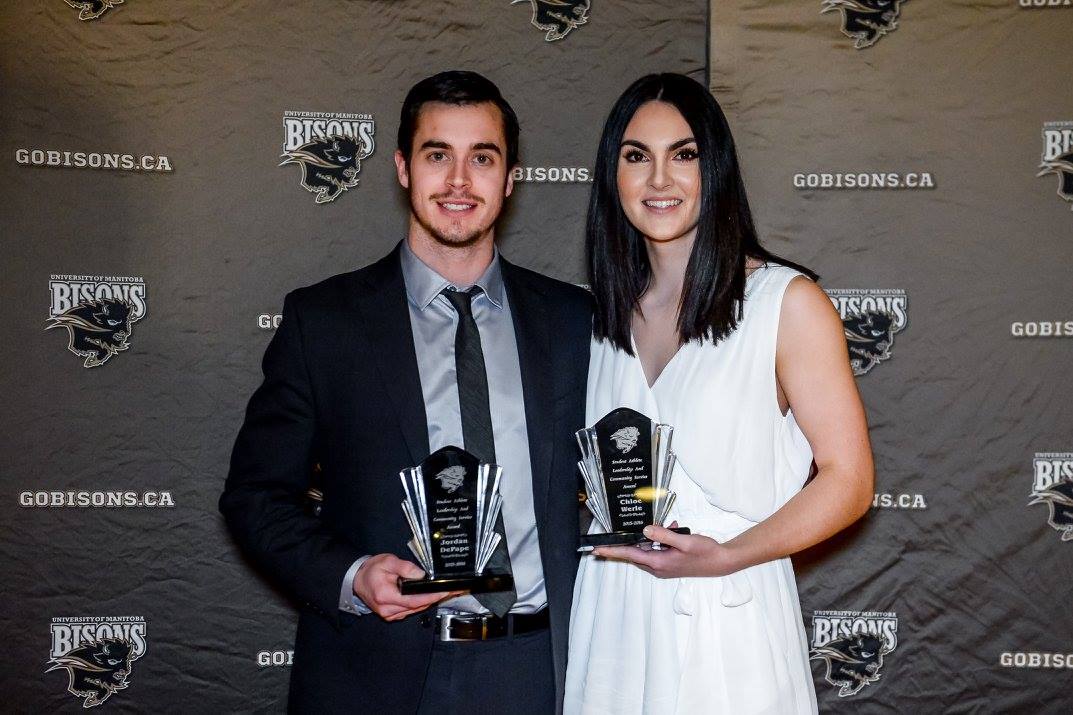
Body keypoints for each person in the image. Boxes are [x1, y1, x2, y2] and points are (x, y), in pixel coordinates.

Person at [221, 70, 592, 714]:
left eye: (482, 157)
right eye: (436, 154)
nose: (458, 180)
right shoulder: (324, 322)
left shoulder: (574, 321)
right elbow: (256, 498)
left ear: (510, 179)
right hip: (373, 674)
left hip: (538, 671)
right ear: (401, 167)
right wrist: (352, 575)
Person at [564, 73, 875, 714]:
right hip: (613, 620)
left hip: (729, 618)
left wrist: (727, 556)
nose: (659, 180)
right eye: (635, 157)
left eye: (684, 155)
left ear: (718, 168)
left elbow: (850, 480)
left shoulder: (785, 304)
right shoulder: (595, 320)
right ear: (610, 175)